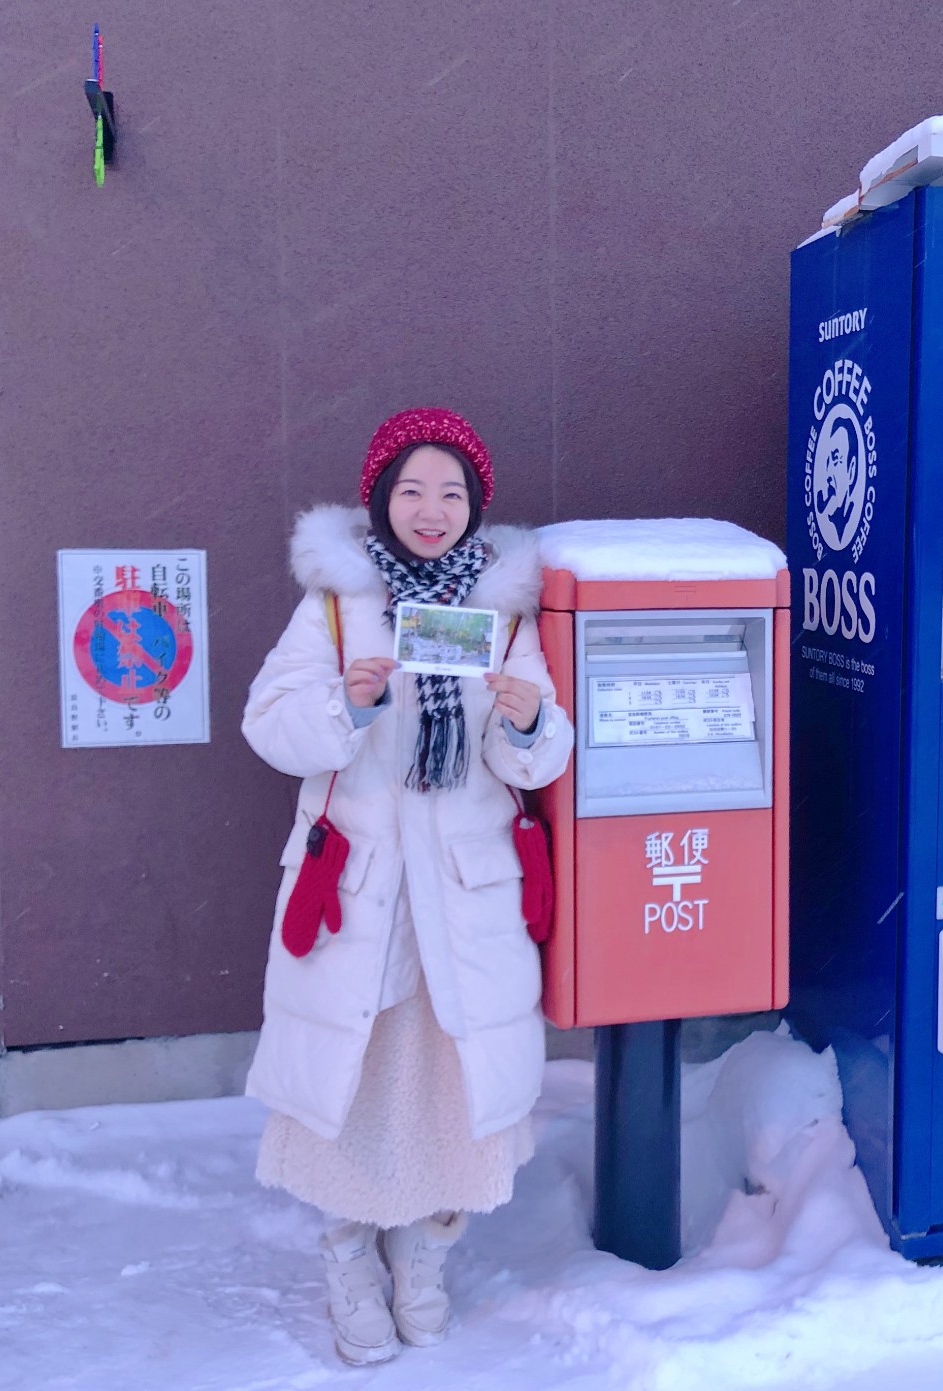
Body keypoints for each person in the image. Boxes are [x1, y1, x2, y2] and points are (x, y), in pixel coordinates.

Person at [241, 407, 572, 1366]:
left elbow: (539, 760)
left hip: (464, 896)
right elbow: (270, 723)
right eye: (413, 490)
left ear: (478, 506)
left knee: (448, 1086)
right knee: (355, 1077)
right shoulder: (339, 604)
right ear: (382, 497)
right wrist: (345, 702)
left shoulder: (505, 612)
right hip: (363, 891)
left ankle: (423, 1255)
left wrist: (522, 724)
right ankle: (349, 1258)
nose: (433, 510)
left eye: (453, 493)